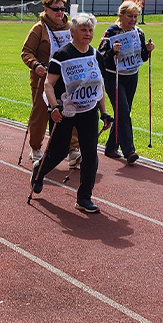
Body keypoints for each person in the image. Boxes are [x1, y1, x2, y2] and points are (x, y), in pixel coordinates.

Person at [30, 12, 112, 214]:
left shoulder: (95, 55)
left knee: (90, 155)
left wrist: (104, 112)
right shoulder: (62, 55)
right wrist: (54, 108)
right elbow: (49, 84)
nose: (87, 33)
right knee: (57, 152)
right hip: (65, 111)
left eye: (90, 30)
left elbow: (98, 86)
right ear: (73, 32)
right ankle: (39, 171)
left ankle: (84, 198)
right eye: (83, 30)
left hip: (88, 111)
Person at [21, 0, 81, 167]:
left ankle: (73, 150)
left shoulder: (70, 28)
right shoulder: (38, 29)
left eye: (63, 9)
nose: (60, 12)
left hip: (66, 79)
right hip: (43, 79)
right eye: (56, 9)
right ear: (46, 9)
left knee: (69, 112)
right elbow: (26, 52)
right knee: (40, 114)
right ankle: (36, 148)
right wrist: (35, 65)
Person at [96, 0, 155, 163]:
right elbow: (99, 55)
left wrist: (148, 50)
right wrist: (111, 50)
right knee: (122, 111)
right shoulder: (111, 32)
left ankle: (111, 147)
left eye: (136, 16)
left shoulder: (139, 32)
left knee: (123, 112)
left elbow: (141, 57)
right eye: (130, 16)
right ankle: (129, 150)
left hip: (131, 76)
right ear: (120, 16)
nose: (133, 20)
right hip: (113, 76)